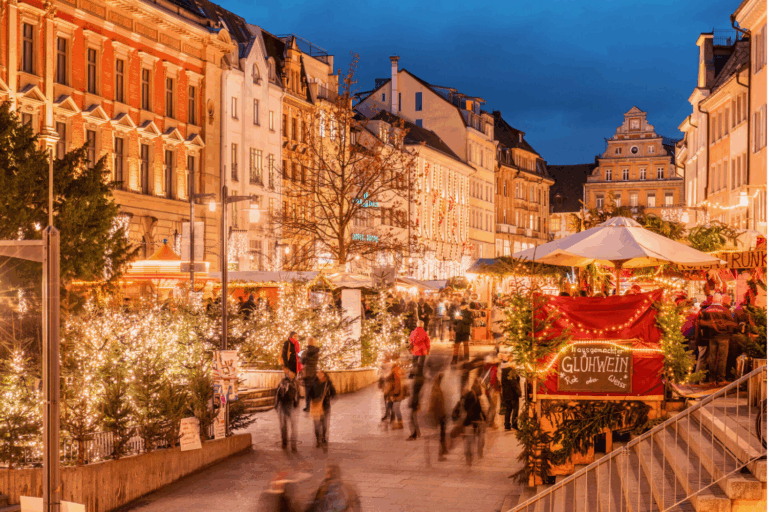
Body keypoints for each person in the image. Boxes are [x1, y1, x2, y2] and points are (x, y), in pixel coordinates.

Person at [696, 293, 738, 385]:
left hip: (712, 337)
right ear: (720, 300)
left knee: (712, 358)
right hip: (723, 337)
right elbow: (731, 323)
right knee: (722, 358)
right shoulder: (725, 310)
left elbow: (702, 324)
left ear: (713, 300)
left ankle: (712, 379)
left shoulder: (706, 310)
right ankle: (721, 379)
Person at [310, 370, 336, 450]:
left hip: (326, 407)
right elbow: (310, 394)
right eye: (318, 373)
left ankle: (323, 437)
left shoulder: (328, 384)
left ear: (324, 375)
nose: (319, 375)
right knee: (317, 425)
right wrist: (315, 401)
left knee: (324, 424)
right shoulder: (314, 383)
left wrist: (327, 400)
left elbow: (333, 393)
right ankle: (318, 440)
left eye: (321, 373)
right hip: (316, 406)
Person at [274, 373, 300, 452]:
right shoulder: (283, 382)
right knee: (284, 426)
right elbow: (277, 393)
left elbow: (297, 395)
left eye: (293, 373)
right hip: (283, 406)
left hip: (291, 406)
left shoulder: (295, 383)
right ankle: (285, 443)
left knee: (293, 427)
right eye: (290, 373)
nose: (292, 374)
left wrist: (296, 403)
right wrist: (276, 404)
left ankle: (293, 444)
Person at [428, 372, 448, 460]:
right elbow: (433, 404)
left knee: (442, 434)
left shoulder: (437, 388)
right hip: (438, 416)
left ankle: (443, 450)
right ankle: (440, 454)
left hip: (441, 415)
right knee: (440, 435)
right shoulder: (436, 390)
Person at [500, 351, 521, 430]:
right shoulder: (511, 370)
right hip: (513, 393)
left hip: (506, 393)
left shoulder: (503, 369)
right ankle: (514, 424)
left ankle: (507, 425)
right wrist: (518, 392)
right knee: (515, 408)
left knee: (508, 409)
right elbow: (514, 383)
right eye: (511, 357)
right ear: (509, 359)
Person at [383, 359, 406, 429]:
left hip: (398, 392)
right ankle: (392, 418)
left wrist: (395, 393)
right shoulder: (396, 370)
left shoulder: (395, 371)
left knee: (396, 408)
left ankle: (400, 423)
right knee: (391, 405)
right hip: (397, 392)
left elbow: (397, 382)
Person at [301, 337, 320, 412]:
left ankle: (308, 406)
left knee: (308, 391)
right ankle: (313, 406)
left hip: (307, 374)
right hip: (313, 373)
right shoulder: (316, 352)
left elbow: (302, 361)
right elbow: (314, 361)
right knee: (313, 391)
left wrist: (305, 359)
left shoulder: (305, 352)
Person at [406, 373, 425, 440]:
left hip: (415, 402)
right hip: (415, 402)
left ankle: (414, 434)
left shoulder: (418, 383)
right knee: (413, 418)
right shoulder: (420, 381)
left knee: (412, 418)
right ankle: (416, 432)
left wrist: (417, 403)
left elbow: (416, 394)